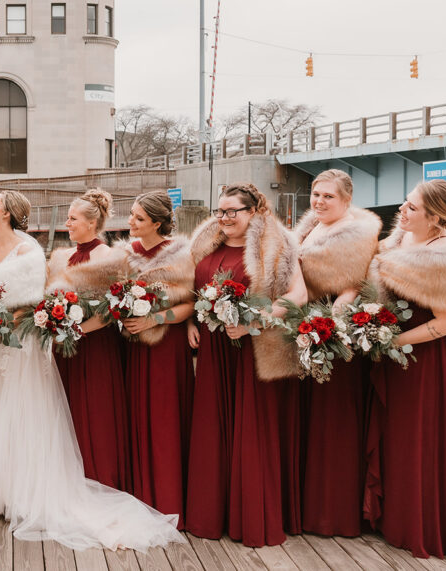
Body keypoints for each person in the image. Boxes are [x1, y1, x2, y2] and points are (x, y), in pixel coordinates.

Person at [0, 191, 184, 551]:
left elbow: (43, 301)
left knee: (26, 416)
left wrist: (14, 325)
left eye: (71, 219)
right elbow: (39, 299)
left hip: (56, 344)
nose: (65, 224)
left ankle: (34, 489)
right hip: (1, 345)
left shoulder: (49, 253)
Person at [364, 180, 446, 560]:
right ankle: (396, 514)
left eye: (412, 208)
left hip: (427, 357)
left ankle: (424, 522)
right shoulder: (402, 241)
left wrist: (389, 343)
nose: (402, 210)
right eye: (405, 203)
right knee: (400, 433)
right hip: (401, 352)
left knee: (422, 435)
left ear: (435, 218)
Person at [185, 183, 307, 547]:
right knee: (212, 425)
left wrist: (257, 319)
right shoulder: (206, 247)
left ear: (252, 212)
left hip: (254, 349)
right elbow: (193, 293)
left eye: (231, 212)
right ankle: (211, 513)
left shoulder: (276, 246)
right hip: (213, 351)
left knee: (251, 429)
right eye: (219, 211)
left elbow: (298, 294)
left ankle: (249, 517)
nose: (222, 218)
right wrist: (191, 321)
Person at [292, 170, 381, 537]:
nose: (319, 202)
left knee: (333, 424)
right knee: (308, 420)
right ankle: (305, 503)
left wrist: (324, 330)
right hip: (303, 329)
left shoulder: (356, 233)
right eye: (315, 194)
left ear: (347, 200)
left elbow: (351, 287)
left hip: (331, 337)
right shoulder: (311, 228)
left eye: (329, 196)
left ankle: (333, 511)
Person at [115, 191, 196, 524]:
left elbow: (191, 303)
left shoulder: (182, 254)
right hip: (131, 347)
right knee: (134, 414)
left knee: (165, 419)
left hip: (167, 346)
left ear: (158, 223)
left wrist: (154, 319)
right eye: (132, 215)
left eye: (138, 218)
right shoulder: (124, 254)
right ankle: (136, 496)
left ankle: (168, 498)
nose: (131, 222)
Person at [45, 189, 129, 490]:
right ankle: (65, 478)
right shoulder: (61, 257)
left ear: (92, 224)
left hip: (95, 347)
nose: (67, 223)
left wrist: (77, 330)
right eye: (67, 218)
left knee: (96, 412)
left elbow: (113, 309)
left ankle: (99, 477)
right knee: (62, 408)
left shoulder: (109, 257)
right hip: (63, 347)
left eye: (73, 218)